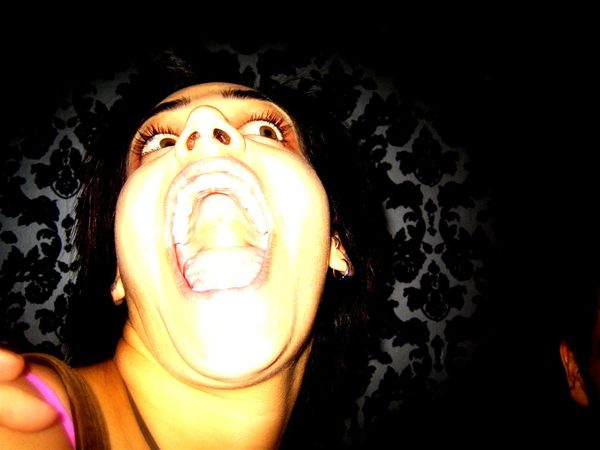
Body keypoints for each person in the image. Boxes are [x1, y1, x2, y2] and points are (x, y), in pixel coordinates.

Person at [0, 49, 387, 448]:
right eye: (159, 143)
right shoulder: (31, 421)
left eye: (266, 131)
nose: (204, 123)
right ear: (118, 268)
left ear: (335, 243)